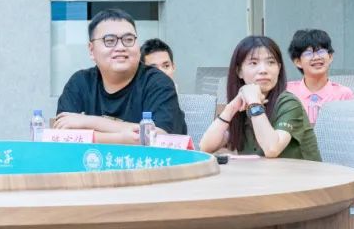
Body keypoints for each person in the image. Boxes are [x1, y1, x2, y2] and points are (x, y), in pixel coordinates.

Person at [55, 9, 185, 142]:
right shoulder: (80, 83)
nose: (121, 47)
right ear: (91, 50)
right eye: (110, 40)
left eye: (128, 40)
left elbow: (156, 138)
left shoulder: (158, 83)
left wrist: (88, 121)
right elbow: (62, 134)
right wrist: (123, 137)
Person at [199, 35, 320, 161]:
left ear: (279, 69)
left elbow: (272, 149)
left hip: (301, 173)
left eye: (271, 62)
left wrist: (254, 103)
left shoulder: (289, 103)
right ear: (239, 71)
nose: (263, 70)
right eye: (253, 63)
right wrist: (231, 108)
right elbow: (206, 147)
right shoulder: (242, 106)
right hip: (261, 173)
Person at [285, 28, 353, 123]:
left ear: (330, 57)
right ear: (298, 62)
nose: (316, 57)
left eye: (321, 52)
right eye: (308, 53)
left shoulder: (343, 95)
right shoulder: (287, 92)